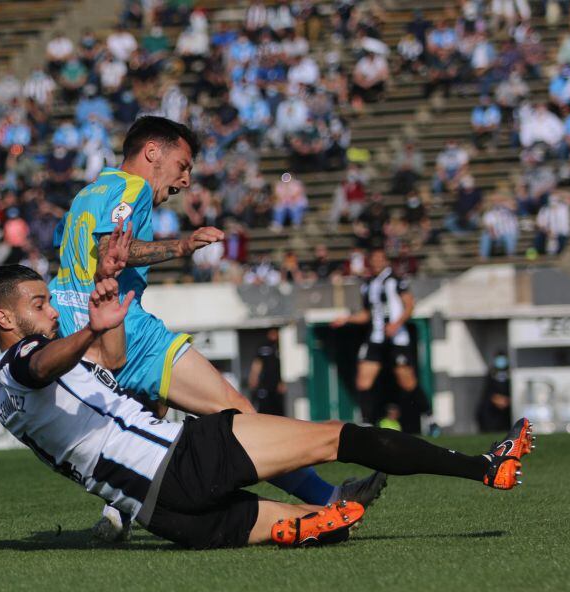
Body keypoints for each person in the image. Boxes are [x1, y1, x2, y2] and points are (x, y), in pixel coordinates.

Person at [0, 264, 531, 549]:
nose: (51, 312)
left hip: (164, 515)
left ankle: (309, 522)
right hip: (184, 457)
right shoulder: (26, 361)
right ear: (6, 319)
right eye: (40, 303)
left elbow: (109, 365)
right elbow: (40, 363)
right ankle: (486, 467)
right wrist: (85, 333)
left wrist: (106, 319)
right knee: (342, 437)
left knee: (332, 526)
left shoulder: (4, 392)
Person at [49, 117, 379, 539]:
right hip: (128, 334)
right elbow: (110, 248)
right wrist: (182, 245)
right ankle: (326, 496)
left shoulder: (85, 194)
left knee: (146, 425)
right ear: (152, 152)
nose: (185, 180)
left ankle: (117, 516)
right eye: (182, 165)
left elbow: (70, 250)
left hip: (85, 342)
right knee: (237, 411)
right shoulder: (131, 188)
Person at [331, 247, 430, 428]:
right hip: (375, 337)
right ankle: (367, 423)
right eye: (373, 259)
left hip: (397, 337)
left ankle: (429, 418)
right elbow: (367, 314)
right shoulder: (367, 284)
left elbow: (409, 305)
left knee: (407, 382)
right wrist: (346, 319)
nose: (377, 263)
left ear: (386, 261)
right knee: (363, 380)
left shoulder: (396, 280)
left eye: (380, 259)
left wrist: (396, 324)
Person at [248, 328, 285, 415]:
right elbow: (257, 363)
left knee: (277, 408)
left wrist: (283, 381)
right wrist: (253, 377)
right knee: (264, 406)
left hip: (277, 382)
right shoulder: (263, 347)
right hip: (264, 382)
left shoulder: (283, 346)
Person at [478, 351, 512, 432]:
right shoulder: (491, 373)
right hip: (492, 408)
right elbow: (487, 391)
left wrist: (507, 400)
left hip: (507, 407)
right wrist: (496, 399)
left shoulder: (510, 373)